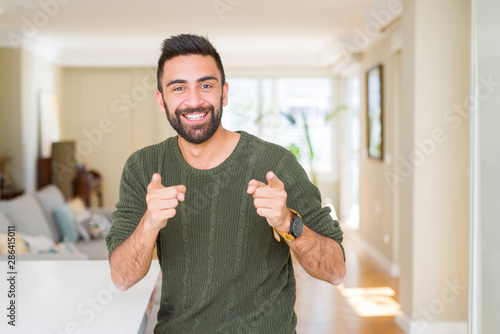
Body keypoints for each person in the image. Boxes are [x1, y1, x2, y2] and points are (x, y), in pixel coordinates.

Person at [106, 34, 346, 333]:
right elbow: (121, 278)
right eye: (178, 88)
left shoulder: (276, 163)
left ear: (225, 93)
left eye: (206, 85)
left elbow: (335, 271)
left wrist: (287, 222)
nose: (194, 100)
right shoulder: (143, 166)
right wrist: (150, 222)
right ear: (161, 99)